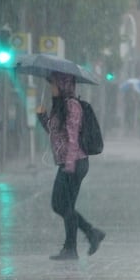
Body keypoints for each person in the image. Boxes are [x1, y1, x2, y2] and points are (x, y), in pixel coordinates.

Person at [36, 72, 106, 260]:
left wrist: (69, 165)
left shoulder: (72, 106)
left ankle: (81, 240)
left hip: (75, 162)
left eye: (53, 84)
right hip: (68, 162)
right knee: (66, 206)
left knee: (60, 204)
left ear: (63, 85)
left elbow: (73, 138)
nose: (52, 88)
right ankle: (79, 241)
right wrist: (42, 117)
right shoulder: (60, 106)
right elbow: (55, 133)